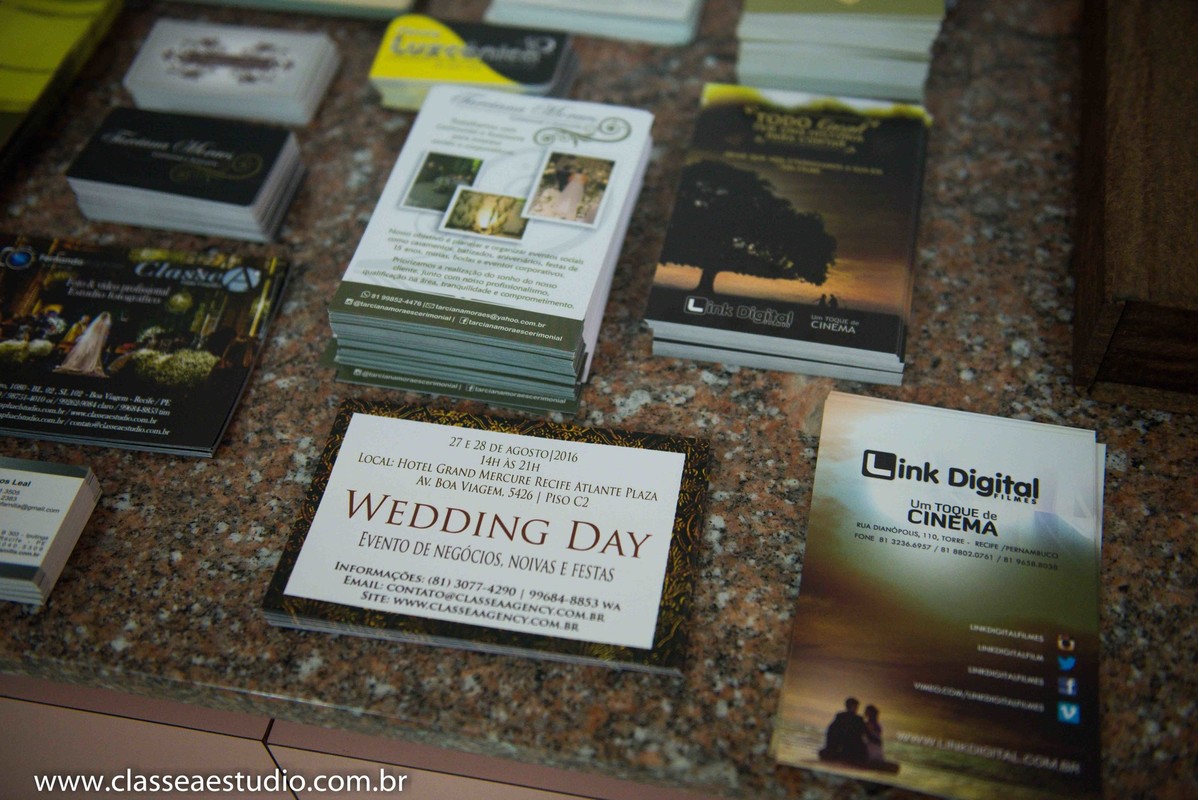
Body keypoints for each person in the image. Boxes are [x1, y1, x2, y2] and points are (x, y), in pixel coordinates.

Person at [55, 311, 111, 376]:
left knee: (85, 352)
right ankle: (84, 365)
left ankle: (80, 365)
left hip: (90, 339)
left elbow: (91, 331)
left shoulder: (97, 323)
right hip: (94, 340)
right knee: (88, 353)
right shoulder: (105, 325)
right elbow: (103, 334)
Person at [819, 697, 868, 765]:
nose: (857, 709)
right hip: (852, 748)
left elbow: (831, 731)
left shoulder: (840, 716)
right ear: (853, 706)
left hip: (841, 746)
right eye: (856, 706)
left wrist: (830, 746)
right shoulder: (858, 719)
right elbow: (863, 733)